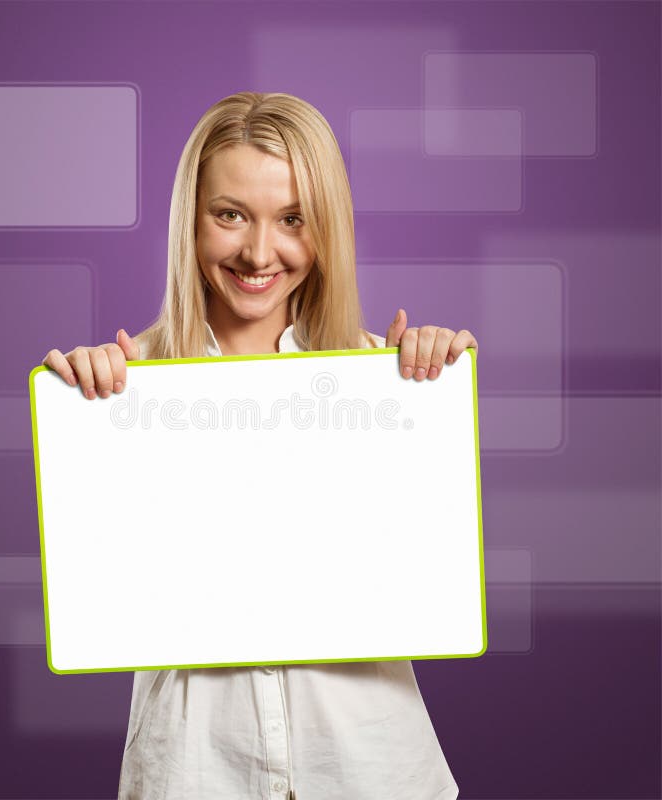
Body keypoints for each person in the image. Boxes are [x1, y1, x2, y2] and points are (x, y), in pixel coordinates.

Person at [42, 91, 478, 800]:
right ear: (191, 220)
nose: (258, 252)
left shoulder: (386, 377)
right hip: (193, 767)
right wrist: (88, 420)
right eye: (230, 215)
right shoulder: (123, 390)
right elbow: (105, 592)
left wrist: (430, 395)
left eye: (293, 219)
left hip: (371, 764)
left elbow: (425, 570)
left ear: (327, 229)